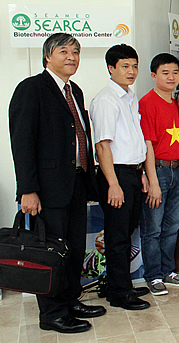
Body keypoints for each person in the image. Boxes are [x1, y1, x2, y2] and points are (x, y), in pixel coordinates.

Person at [10, 33, 105, 334]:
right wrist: (27, 189)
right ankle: (51, 313)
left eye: (76, 52)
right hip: (47, 189)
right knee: (50, 252)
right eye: (64, 51)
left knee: (74, 249)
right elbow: (22, 143)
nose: (72, 57)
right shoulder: (31, 89)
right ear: (47, 56)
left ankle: (70, 300)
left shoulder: (74, 90)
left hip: (75, 183)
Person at [90, 44, 150, 310]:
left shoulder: (129, 96)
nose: (131, 71)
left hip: (132, 173)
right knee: (117, 237)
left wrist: (143, 173)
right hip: (116, 175)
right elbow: (102, 145)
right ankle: (120, 293)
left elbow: (134, 139)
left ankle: (119, 284)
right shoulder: (106, 99)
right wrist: (113, 184)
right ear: (111, 68)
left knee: (126, 232)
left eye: (134, 66)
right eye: (125, 66)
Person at [139, 53, 179, 296]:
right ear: (153, 75)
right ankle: (152, 275)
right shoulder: (147, 103)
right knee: (153, 228)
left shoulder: (177, 103)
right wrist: (152, 181)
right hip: (158, 172)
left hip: (176, 170)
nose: (171, 77)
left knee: (173, 225)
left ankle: (168, 270)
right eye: (165, 73)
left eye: (175, 72)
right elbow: (147, 145)